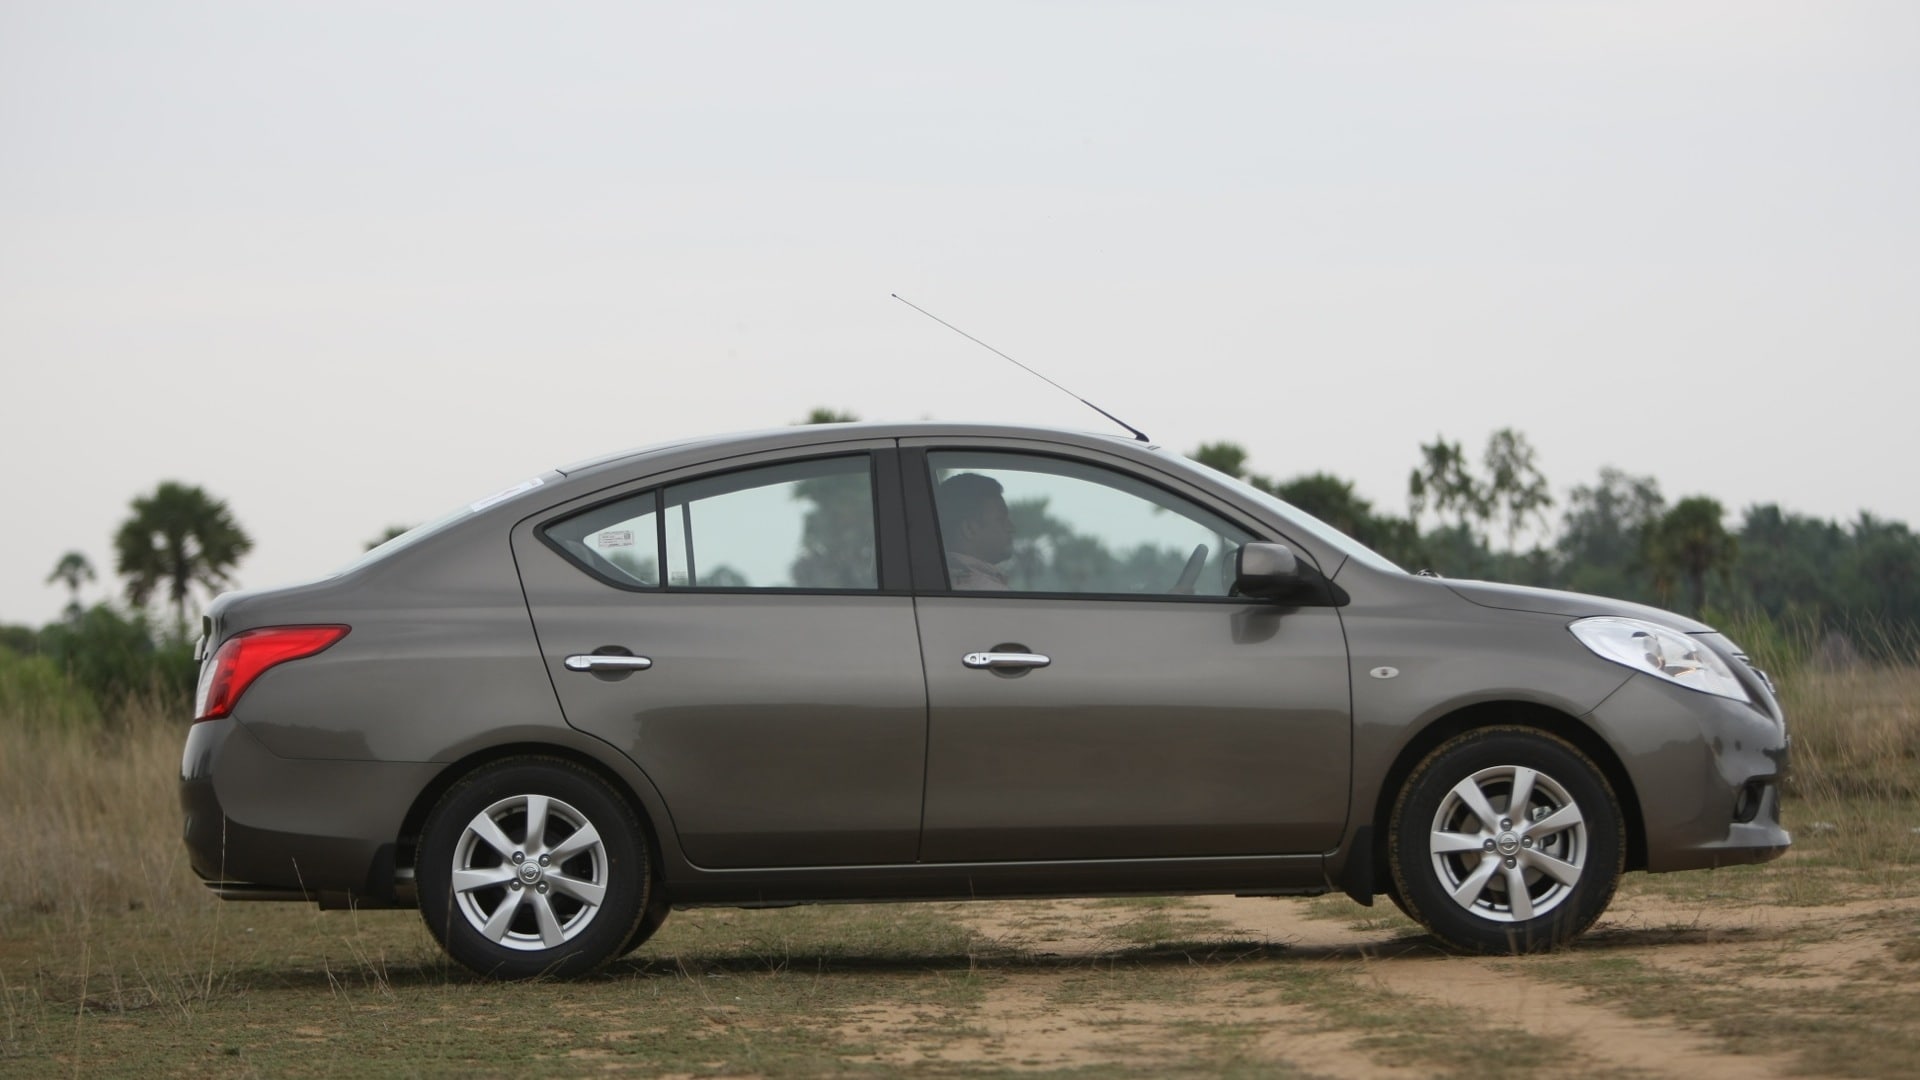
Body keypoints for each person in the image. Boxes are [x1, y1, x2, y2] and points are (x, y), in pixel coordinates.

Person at [935, 472, 1013, 590]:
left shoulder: (944, 579)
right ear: (969, 529)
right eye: (1001, 519)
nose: (1012, 528)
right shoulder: (989, 591)